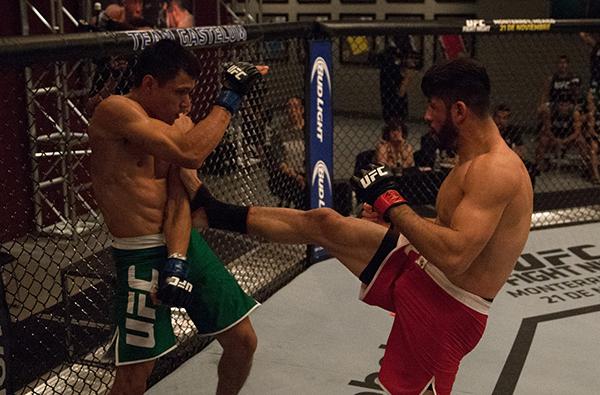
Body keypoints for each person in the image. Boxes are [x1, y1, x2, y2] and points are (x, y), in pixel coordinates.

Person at [180, 58, 533, 395]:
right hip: (426, 270)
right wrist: (394, 217)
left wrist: (393, 206)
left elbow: (455, 256)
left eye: (433, 108)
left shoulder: (494, 171)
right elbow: (448, 229)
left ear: (459, 111)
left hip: (448, 306)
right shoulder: (470, 157)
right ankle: (212, 213)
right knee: (326, 223)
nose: (426, 116)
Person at [88, 39, 268, 395]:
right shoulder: (115, 111)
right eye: (180, 92)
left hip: (181, 241)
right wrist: (229, 96)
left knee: (243, 340)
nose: (186, 103)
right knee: (134, 376)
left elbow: (178, 199)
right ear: (150, 84)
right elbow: (190, 153)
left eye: (191, 93)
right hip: (138, 251)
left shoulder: (177, 123)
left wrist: (177, 259)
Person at [535, 93, 589, 172]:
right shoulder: (550, 112)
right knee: (543, 140)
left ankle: (586, 167)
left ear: (570, 105)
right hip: (553, 137)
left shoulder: (575, 113)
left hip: (569, 138)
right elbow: (547, 129)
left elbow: (577, 132)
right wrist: (555, 140)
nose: (564, 107)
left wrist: (564, 141)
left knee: (581, 140)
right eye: (561, 104)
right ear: (557, 104)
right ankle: (539, 165)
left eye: (566, 104)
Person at [373, 35, 418, 126]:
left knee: (398, 113)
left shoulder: (405, 42)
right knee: (388, 113)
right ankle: (390, 131)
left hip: (397, 82)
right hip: (386, 83)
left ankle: (398, 131)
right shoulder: (385, 43)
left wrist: (404, 85)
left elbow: (410, 67)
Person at [493, 104, 539, 187]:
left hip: (510, 159)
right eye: (498, 117)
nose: (500, 121)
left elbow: (521, 150)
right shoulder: (490, 130)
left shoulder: (513, 130)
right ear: (493, 118)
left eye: (504, 118)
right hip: (493, 160)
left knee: (530, 167)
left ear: (508, 120)